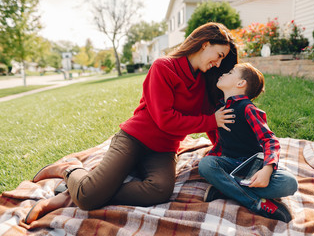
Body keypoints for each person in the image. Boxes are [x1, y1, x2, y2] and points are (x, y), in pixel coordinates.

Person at [24, 22, 238, 225]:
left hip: (163, 149)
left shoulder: (206, 81)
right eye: (219, 55)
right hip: (135, 138)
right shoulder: (163, 67)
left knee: (161, 191)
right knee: (88, 198)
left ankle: (76, 193)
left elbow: (214, 125)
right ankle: (69, 170)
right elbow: (165, 119)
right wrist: (211, 120)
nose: (218, 63)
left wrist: (225, 155)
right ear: (205, 43)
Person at [198, 63, 298, 223]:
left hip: (253, 167)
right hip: (230, 164)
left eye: (230, 72)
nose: (224, 73)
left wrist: (267, 168)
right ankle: (257, 203)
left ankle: (225, 190)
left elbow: (269, 140)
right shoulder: (219, 108)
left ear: (240, 83)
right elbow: (221, 141)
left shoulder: (247, 108)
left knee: (289, 183)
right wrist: (212, 156)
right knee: (205, 165)